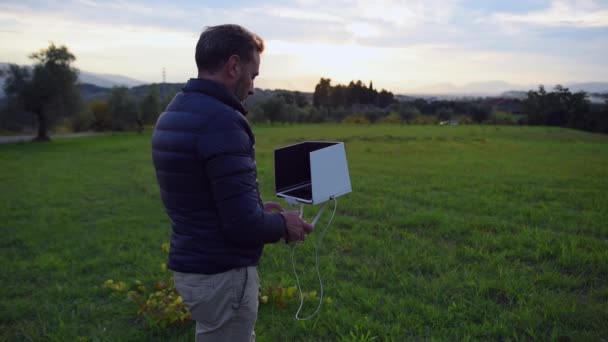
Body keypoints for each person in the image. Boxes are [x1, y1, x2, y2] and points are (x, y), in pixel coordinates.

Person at [151, 24, 314, 341]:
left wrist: (258, 209)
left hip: (194, 267)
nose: (253, 88)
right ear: (234, 66)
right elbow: (241, 226)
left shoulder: (174, 110)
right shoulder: (221, 120)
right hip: (222, 274)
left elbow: (202, 197)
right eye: (253, 75)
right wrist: (283, 225)